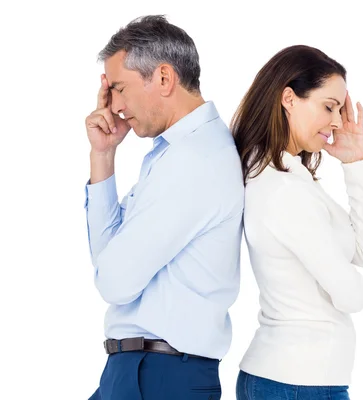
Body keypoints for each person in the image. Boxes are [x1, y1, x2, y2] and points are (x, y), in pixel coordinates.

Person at [84, 15, 243, 400]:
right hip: (141, 371)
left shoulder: (194, 160)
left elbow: (114, 281)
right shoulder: (174, 155)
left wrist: (111, 270)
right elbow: (109, 264)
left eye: (119, 88)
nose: (115, 106)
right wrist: (103, 156)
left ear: (165, 78)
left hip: (157, 376)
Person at [231, 45, 363, 400]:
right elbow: (351, 295)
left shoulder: (292, 176)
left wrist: (355, 163)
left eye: (340, 110)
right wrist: (354, 285)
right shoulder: (282, 189)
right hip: (295, 382)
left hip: (299, 380)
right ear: (289, 98)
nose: (336, 121)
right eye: (329, 106)